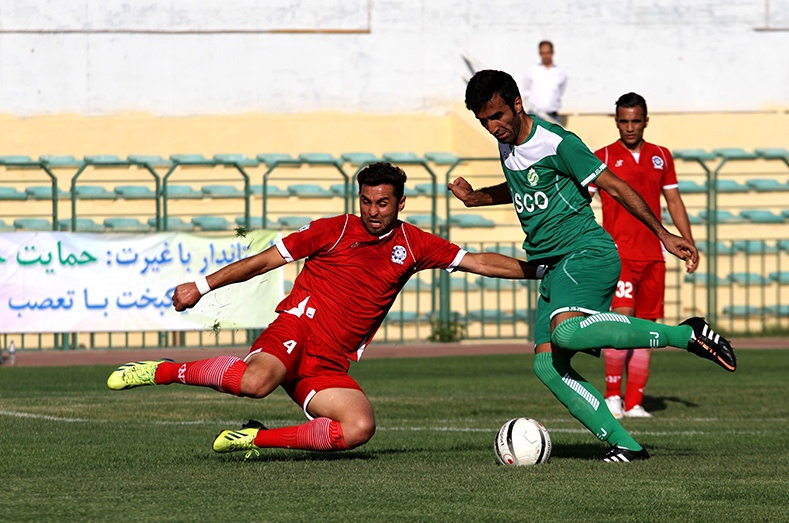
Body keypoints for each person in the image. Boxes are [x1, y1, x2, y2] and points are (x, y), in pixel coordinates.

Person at [107, 162, 544, 457]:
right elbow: (263, 261)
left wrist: (542, 271)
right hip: (297, 329)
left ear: (400, 204)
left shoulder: (415, 244)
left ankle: (255, 438)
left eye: (383, 203)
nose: (373, 211)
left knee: (359, 427)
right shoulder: (332, 231)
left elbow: (479, 262)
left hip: (329, 361)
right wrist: (201, 286)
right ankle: (163, 370)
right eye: (366, 201)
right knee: (256, 382)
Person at [450, 70, 735, 462]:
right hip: (552, 266)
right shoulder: (507, 143)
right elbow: (522, 185)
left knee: (566, 333)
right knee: (547, 365)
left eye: (497, 116)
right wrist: (476, 198)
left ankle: (687, 334)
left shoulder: (558, 142)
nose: (492, 127)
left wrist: (664, 235)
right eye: (484, 121)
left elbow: (615, 186)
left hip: (585, 251)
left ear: (517, 104)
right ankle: (627, 445)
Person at [590, 92, 697, 419]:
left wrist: (688, 242)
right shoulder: (603, 156)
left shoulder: (661, 156)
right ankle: (612, 396)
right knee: (620, 326)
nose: (629, 127)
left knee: (646, 330)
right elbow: (582, 199)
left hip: (654, 255)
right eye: (624, 121)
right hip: (619, 256)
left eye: (635, 121)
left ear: (645, 121)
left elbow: (674, 202)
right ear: (616, 121)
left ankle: (634, 402)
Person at [522, 40, 567, 122]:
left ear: (553, 52)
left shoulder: (560, 72)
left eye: (548, 52)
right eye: (543, 53)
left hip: (553, 117)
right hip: (535, 116)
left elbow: (561, 91)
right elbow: (526, 91)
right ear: (540, 54)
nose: (546, 56)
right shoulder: (532, 71)